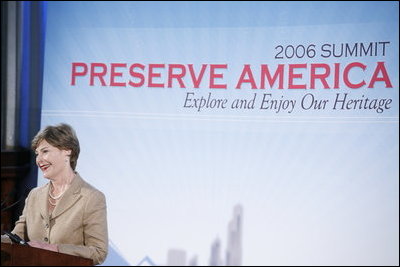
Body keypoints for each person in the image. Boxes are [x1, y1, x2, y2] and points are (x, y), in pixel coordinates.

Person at [8, 123, 108, 265]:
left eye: (45, 151)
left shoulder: (91, 198)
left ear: (67, 150)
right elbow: (16, 238)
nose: (39, 160)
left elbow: (98, 252)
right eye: (37, 154)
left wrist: (54, 248)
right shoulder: (34, 195)